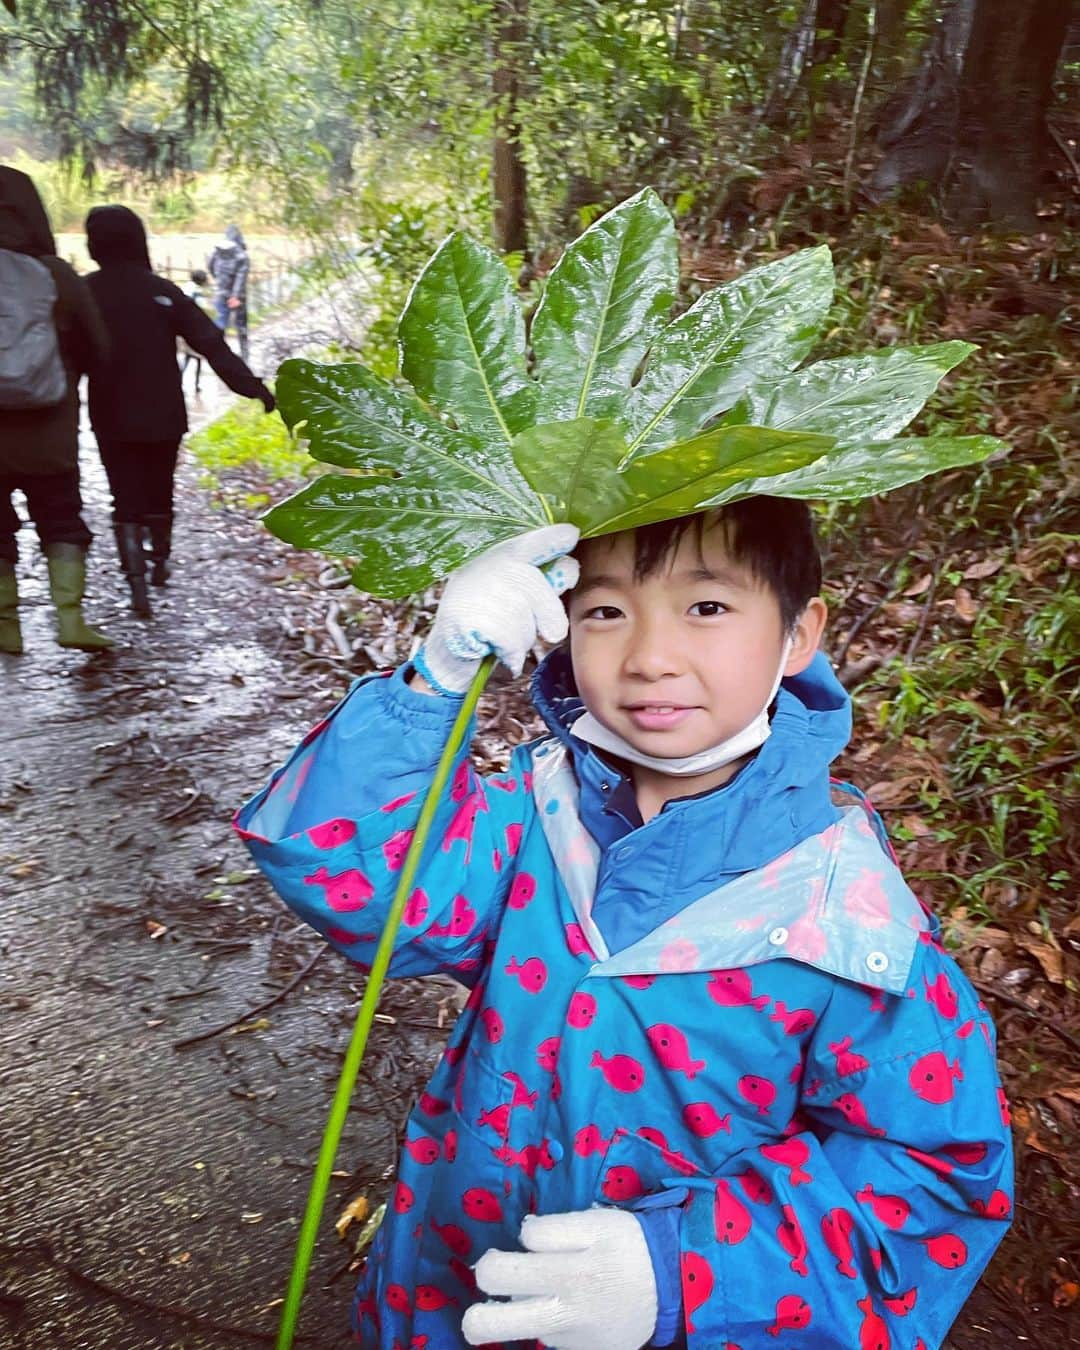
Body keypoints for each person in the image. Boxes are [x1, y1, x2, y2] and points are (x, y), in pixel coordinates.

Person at [236, 503, 1014, 1349]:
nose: (648, 659)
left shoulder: (849, 927)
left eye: (707, 607)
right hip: (454, 1282)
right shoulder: (534, 824)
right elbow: (354, 872)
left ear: (798, 634)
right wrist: (437, 676)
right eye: (604, 611)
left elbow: (934, 1178)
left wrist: (685, 1270)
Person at [84, 206, 275, 617]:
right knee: (160, 489)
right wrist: (254, 389)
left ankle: (135, 584)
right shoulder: (164, 292)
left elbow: (61, 357)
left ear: (93, 243)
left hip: (110, 411)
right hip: (163, 412)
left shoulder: (84, 293)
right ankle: (159, 562)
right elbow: (212, 344)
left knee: (124, 495)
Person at [0, 165, 112, 655]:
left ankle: (6, 627)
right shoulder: (57, 274)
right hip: (50, 432)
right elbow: (100, 349)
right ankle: (71, 620)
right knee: (62, 520)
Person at [206, 224, 250, 360]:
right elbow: (240, 277)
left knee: (221, 323)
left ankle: (219, 354)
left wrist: (219, 282)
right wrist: (235, 296)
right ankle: (244, 356)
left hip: (221, 292)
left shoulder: (216, 251)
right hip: (238, 296)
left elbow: (210, 267)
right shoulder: (242, 256)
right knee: (241, 325)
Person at [179, 267, 211, 393]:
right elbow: (201, 309)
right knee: (196, 357)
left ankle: (185, 383)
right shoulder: (196, 291)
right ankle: (195, 385)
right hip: (193, 329)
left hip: (184, 328)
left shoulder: (187, 288)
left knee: (189, 358)